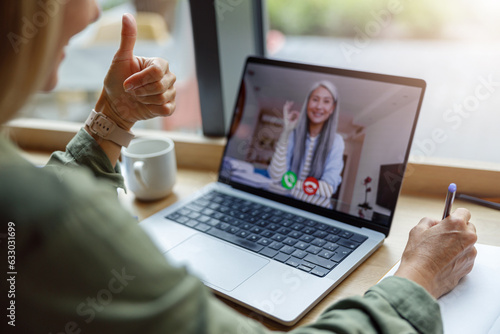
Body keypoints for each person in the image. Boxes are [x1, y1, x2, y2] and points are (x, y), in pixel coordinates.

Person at [0, 1, 477, 333]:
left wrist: (115, 118)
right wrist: (418, 274)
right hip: (264, 206)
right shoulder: (38, 219)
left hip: (318, 218)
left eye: (326, 102)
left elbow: (326, 185)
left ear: (331, 111)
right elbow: (273, 175)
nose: (87, 12)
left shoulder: (335, 146)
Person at [268, 81, 344, 207]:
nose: (319, 106)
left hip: (316, 210)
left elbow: (328, 189)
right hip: (287, 204)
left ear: (332, 108)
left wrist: (288, 184)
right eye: (315, 99)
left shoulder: (337, 141)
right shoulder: (293, 134)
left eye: (326, 101)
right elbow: (275, 176)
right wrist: (286, 132)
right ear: (307, 102)